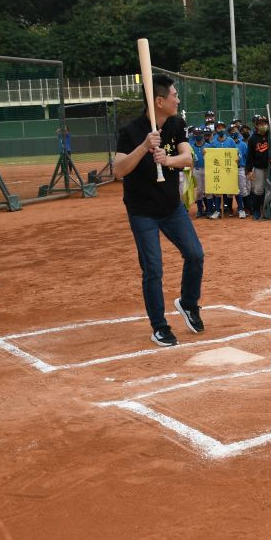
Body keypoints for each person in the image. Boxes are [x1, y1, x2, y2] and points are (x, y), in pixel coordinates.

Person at [114, 73, 205, 346]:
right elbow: (119, 170)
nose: (177, 99)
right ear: (159, 101)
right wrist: (144, 146)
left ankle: (188, 303)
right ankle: (159, 326)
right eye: (174, 95)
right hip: (142, 211)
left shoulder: (177, 124)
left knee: (195, 255)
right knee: (153, 269)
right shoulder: (130, 131)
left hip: (171, 207)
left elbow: (189, 158)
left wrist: (168, 159)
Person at [246, 119, 271, 220]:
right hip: (258, 168)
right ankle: (257, 210)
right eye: (261, 124)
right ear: (256, 126)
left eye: (265, 124)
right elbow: (250, 155)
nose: (263, 126)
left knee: (270, 188)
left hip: (270, 167)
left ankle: (270, 209)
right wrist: (249, 170)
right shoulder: (253, 139)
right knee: (258, 189)